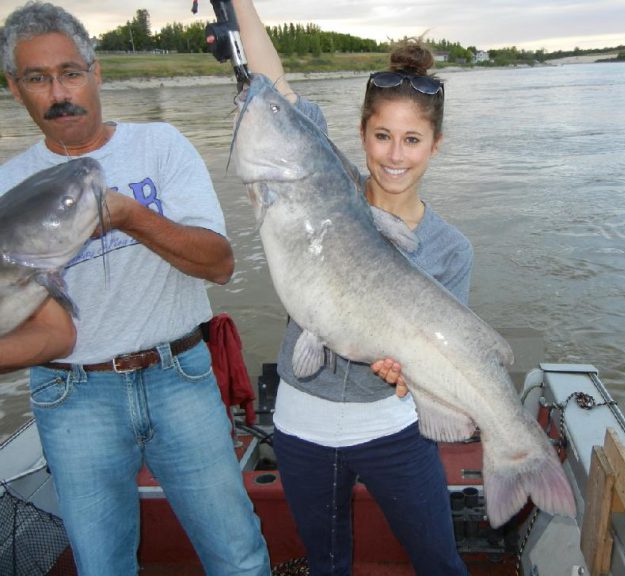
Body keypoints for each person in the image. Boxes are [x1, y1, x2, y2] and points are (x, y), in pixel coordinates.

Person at [0, 3, 271, 574]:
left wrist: (129, 217)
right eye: (37, 78)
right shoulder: (8, 187)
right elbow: (51, 333)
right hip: (72, 395)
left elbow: (220, 265)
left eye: (71, 72)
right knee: (101, 565)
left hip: (180, 377)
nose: (59, 92)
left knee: (238, 554)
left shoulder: (162, 145)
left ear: (96, 72)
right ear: (15, 87)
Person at [231, 2, 472, 574]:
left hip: (393, 429)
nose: (394, 154)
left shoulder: (451, 249)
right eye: (382, 135)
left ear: (435, 145)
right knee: (327, 563)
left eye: (412, 140)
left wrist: (408, 372)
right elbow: (273, 87)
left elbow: (447, 354)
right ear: (360, 134)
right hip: (302, 427)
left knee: (440, 562)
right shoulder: (317, 180)